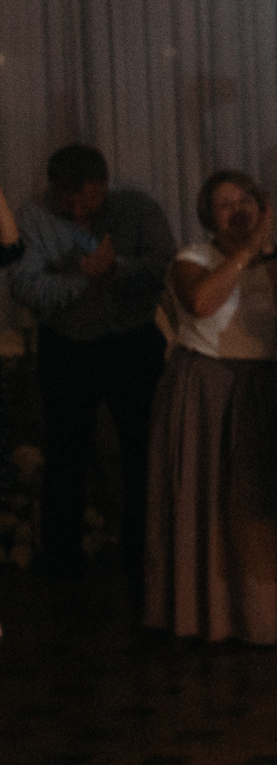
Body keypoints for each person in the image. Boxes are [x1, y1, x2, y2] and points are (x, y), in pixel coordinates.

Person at [143, 171, 277, 644]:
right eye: (225, 204)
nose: (238, 211)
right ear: (208, 216)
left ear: (262, 207)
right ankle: (203, 616)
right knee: (206, 506)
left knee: (261, 505)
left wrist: (266, 253)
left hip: (264, 387)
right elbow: (201, 303)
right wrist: (245, 253)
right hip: (204, 387)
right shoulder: (192, 258)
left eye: (246, 201)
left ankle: (267, 617)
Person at [10, 144, 175, 601]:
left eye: (87, 199)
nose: (77, 209)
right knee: (65, 454)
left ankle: (146, 560)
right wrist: (82, 276)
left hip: (130, 341)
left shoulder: (137, 207)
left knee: (141, 451)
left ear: (105, 184)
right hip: (67, 346)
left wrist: (115, 270)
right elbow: (26, 287)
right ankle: (62, 566)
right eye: (67, 199)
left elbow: (166, 267)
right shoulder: (33, 216)